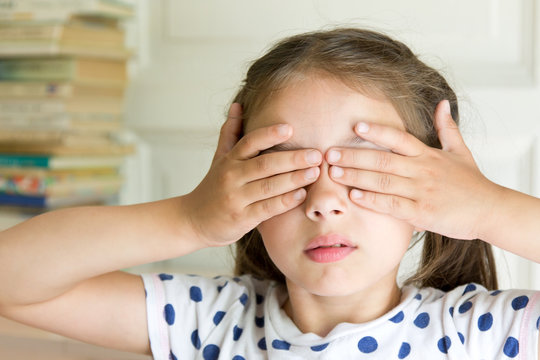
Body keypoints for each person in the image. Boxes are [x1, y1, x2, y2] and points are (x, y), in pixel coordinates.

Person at [1, 28, 540, 359]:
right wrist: (189, 219)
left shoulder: (480, 335)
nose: (324, 198)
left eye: (367, 165)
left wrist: (488, 209)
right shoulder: (208, 321)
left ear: (433, 201)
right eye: (286, 166)